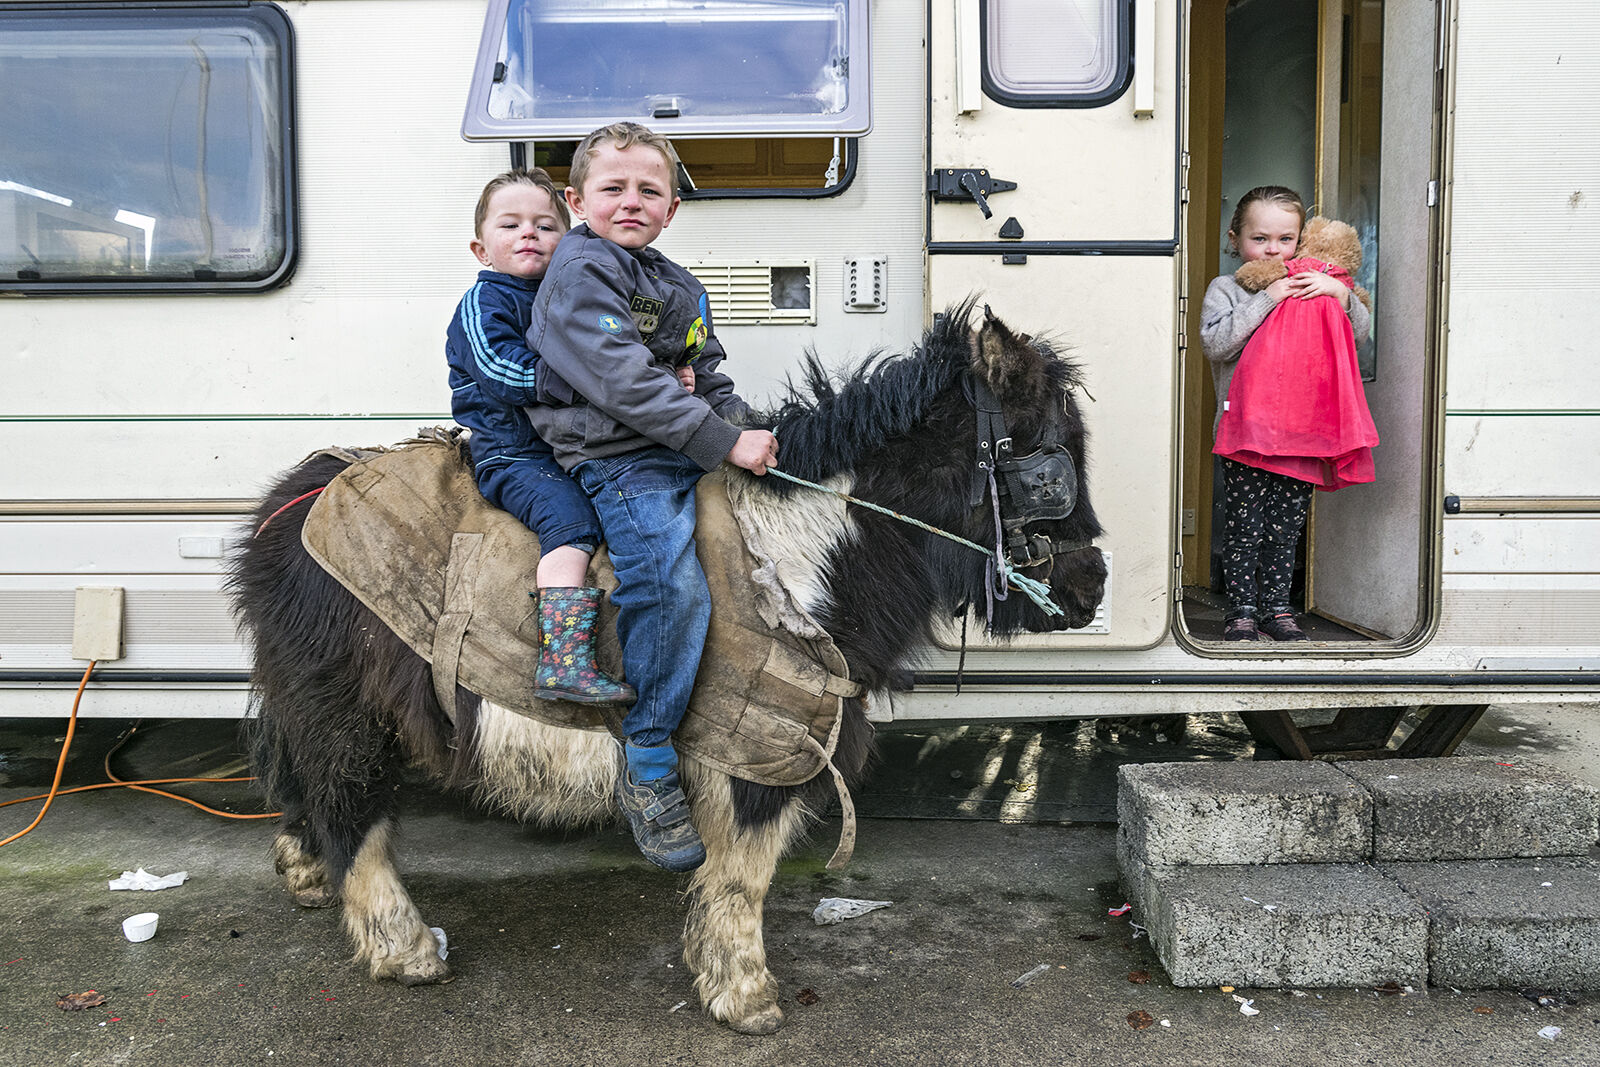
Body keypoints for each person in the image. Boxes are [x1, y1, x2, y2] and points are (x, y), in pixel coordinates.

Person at [524, 122, 779, 872]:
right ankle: (650, 756)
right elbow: (621, 380)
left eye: (649, 190)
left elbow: (712, 374)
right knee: (670, 583)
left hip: (671, 444)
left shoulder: (677, 283)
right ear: (577, 200)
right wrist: (715, 437)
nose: (630, 201)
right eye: (612, 188)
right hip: (615, 458)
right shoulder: (580, 272)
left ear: (671, 209)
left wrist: (746, 430)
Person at [445, 168, 636, 706]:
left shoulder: (570, 297)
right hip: (515, 453)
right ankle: (563, 662)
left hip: (567, 446)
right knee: (570, 519)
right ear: (482, 249)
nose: (529, 233)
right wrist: (583, 385)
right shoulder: (484, 305)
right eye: (511, 225)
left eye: (545, 225)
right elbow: (497, 369)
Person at [1199, 185, 1372, 643]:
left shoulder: (1315, 284)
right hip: (1246, 432)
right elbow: (1216, 344)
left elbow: (1358, 335)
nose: (1273, 249)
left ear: (1301, 240)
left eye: (1285, 239)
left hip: (1301, 432)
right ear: (1234, 239)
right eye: (1260, 238)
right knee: (1244, 526)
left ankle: (1277, 610)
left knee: (1285, 527)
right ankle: (1241, 612)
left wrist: (1339, 293)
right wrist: (1268, 297)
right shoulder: (1228, 288)